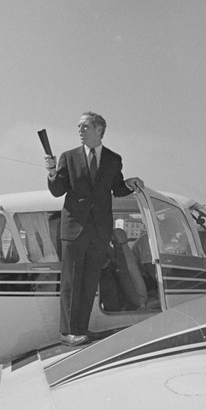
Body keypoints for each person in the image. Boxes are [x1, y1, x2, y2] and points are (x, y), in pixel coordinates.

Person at [45, 112, 143, 345]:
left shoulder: (113, 159)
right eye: (79, 126)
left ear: (99, 129)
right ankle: (68, 332)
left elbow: (116, 188)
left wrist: (131, 184)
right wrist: (51, 173)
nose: (80, 130)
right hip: (74, 229)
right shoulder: (68, 157)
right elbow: (58, 190)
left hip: (99, 230)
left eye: (85, 126)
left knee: (90, 282)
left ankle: (81, 329)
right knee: (71, 281)